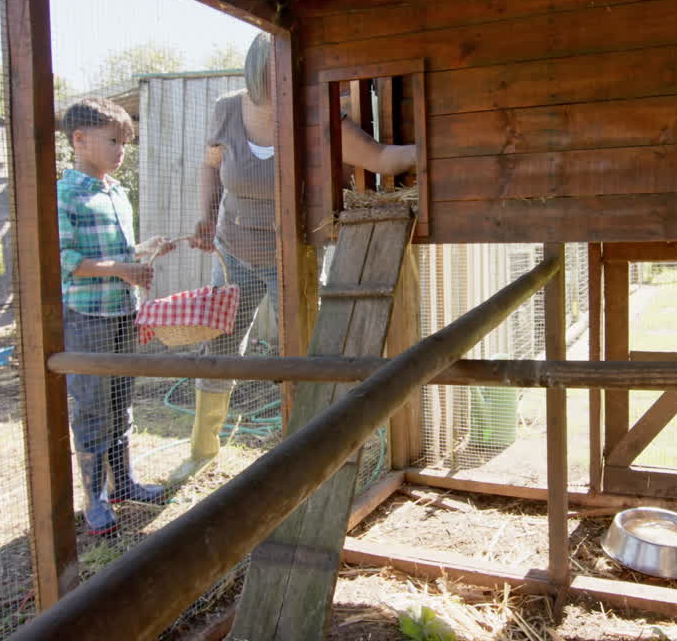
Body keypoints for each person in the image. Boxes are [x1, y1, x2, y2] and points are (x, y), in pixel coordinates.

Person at [171, 33, 416, 482]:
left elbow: (381, 158)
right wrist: (204, 216)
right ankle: (202, 451)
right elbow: (211, 165)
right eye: (280, 69)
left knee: (303, 350)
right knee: (220, 345)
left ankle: (306, 453)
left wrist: (435, 150)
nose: (290, 76)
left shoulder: (315, 110)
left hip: (294, 254)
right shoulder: (227, 108)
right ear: (263, 69)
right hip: (233, 252)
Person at [58, 97, 177, 535]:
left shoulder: (117, 193)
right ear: (80, 139)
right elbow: (67, 259)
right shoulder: (64, 194)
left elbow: (118, 255)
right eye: (114, 141)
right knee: (92, 407)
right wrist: (126, 269)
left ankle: (123, 482)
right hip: (87, 317)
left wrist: (146, 252)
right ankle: (95, 500)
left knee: (121, 402)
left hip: (125, 312)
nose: (121, 151)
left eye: (125, 143)